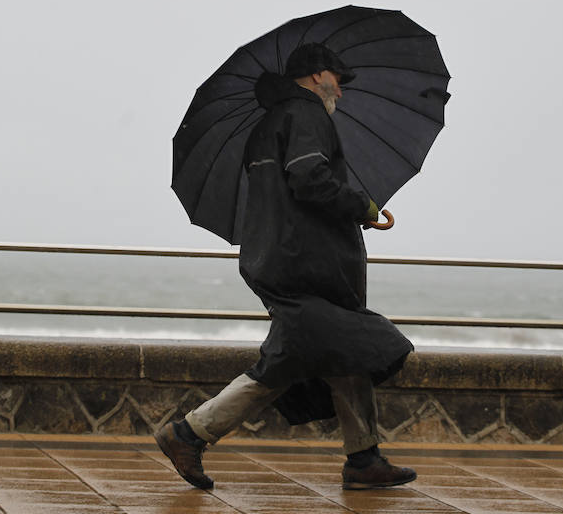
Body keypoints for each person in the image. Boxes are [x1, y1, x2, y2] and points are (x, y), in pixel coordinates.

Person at [155, 43, 416, 490]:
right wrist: (362, 205)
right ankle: (187, 434)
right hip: (304, 266)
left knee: (340, 349)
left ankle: (363, 459)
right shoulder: (307, 114)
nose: (342, 90)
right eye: (338, 77)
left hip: (279, 258)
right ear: (317, 75)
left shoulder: (268, 126)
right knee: (336, 349)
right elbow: (310, 179)